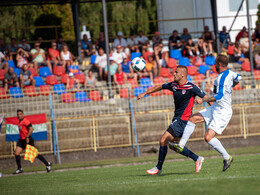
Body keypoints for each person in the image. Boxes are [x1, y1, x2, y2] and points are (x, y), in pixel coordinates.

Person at [175, 55, 241, 172]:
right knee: (192, 119)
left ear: (219, 64)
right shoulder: (230, 73)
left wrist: (202, 100)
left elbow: (219, 96)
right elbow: (238, 78)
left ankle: (227, 157)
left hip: (222, 111)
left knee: (208, 137)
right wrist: (230, 88)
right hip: (216, 107)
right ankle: (181, 146)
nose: (214, 65)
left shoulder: (221, 78)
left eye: (215, 63)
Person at [138, 65, 208, 175]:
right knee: (175, 146)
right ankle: (197, 158)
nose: (174, 74)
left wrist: (214, 111)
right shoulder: (174, 85)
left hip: (183, 120)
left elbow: (207, 97)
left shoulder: (192, 88)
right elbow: (161, 87)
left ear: (182, 74)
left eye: (176, 72)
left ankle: (158, 168)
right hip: (176, 119)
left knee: (163, 140)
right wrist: (145, 93)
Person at [13, 109, 51, 174]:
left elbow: (31, 129)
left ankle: (47, 164)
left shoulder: (25, 121)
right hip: (22, 140)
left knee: (35, 154)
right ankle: (19, 168)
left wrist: (27, 137)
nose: (19, 116)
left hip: (28, 140)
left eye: (20, 114)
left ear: (23, 115)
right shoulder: (20, 122)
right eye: (18, 114)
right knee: (16, 153)